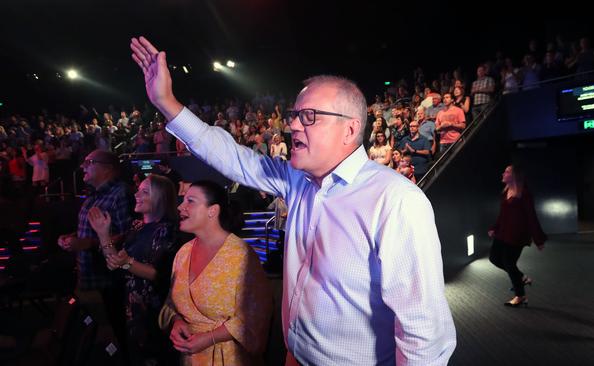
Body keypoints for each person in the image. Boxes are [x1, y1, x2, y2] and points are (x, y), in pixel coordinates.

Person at [131, 36, 455, 365]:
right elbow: (231, 156)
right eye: (295, 115)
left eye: (310, 116)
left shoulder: (396, 201)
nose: (293, 125)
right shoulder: (297, 182)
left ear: (350, 129)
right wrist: (167, 102)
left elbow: (423, 332)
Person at [158, 181, 272, 365]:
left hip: (229, 358)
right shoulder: (183, 252)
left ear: (213, 211)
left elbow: (256, 314)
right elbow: (172, 302)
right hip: (190, 358)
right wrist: (177, 321)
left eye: (190, 201)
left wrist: (211, 337)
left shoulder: (240, 255)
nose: (180, 206)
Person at [88, 174, 179, 364]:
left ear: (161, 197)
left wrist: (127, 263)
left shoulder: (166, 229)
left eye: (145, 191)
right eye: (138, 189)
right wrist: (103, 234)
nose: (136, 194)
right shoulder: (136, 226)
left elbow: (158, 274)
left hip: (153, 310)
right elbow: (115, 262)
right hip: (131, 306)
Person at [57, 149, 132, 356]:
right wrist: (70, 238)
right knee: (92, 335)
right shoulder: (95, 195)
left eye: (89, 161)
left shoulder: (120, 194)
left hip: (107, 282)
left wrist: (87, 244)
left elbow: (126, 237)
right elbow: (92, 230)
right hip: (88, 280)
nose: (83, 165)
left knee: (115, 338)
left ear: (107, 169)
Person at [488, 164, 546, 307]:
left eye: (506, 171)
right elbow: (503, 215)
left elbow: (531, 217)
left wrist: (538, 239)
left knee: (509, 263)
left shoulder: (524, 194)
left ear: (514, 176)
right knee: (494, 258)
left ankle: (520, 296)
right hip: (503, 233)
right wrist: (494, 228)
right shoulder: (506, 191)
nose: (503, 173)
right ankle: (522, 277)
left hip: (517, 235)